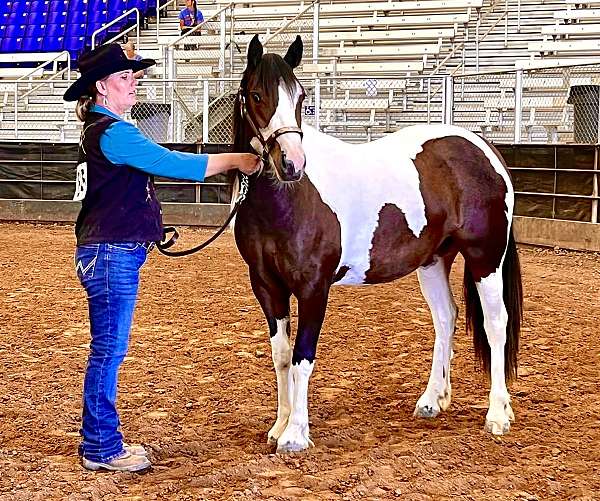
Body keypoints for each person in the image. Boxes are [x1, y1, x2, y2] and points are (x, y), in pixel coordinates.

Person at [63, 43, 260, 473]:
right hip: (111, 253)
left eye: (134, 76)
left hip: (106, 251)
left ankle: (99, 440)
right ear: (101, 87)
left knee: (108, 349)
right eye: (123, 77)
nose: (133, 83)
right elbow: (173, 164)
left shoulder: (100, 130)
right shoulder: (115, 133)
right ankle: (100, 447)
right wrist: (238, 160)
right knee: (109, 350)